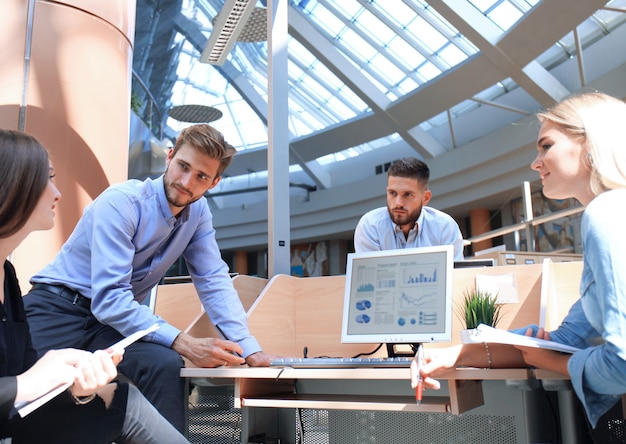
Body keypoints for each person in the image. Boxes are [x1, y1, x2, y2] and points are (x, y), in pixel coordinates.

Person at [23, 124, 275, 433]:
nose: (186, 182)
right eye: (183, 166)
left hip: (109, 325)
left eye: (201, 176)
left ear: (214, 182)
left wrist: (248, 348)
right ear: (169, 157)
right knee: (27, 395)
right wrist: (184, 342)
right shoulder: (121, 203)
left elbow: (213, 280)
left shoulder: (198, 214)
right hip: (58, 306)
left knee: (163, 364)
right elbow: (111, 298)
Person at [410, 91, 626, 429]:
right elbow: (563, 341)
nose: (535, 162)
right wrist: (458, 354)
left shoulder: (607, 214)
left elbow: (621, 364)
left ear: (589, 142)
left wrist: (555, 365)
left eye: (546, 146)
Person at [0, 129, 187, 443]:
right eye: (47, 178)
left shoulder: (7, 275)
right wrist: (27, 383)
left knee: (122, 401)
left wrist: (78, 387)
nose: (57, 192)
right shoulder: (121, 203)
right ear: (15, 184)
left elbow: (28, 371)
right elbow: (26, 381)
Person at [354, 157, 464, 260]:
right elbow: (370, 278)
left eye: (407, 195)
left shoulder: (444, 227)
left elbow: (454, 277)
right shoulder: (370, 226)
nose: (398, 203)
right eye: (392, 193)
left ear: (425, 198)